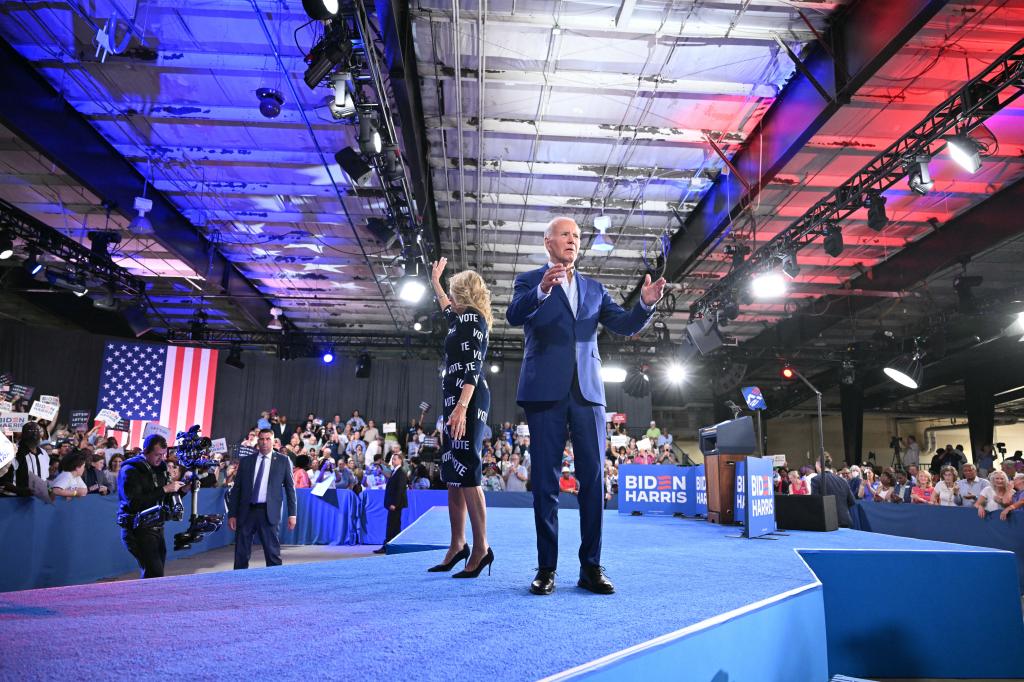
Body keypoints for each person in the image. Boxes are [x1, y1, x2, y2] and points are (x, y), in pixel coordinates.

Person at [506, 216, 664, 595]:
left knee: (593, 482)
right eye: (565, 235)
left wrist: (644, 305)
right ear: (548, 242)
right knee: (545, 483)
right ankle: (547, 569)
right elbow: (514, 316)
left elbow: (624, 325)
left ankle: (590, 568)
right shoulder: (529, 280)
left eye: (577, 236)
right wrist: (542, 291)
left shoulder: (595, 288)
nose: (573, 241)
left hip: (589, 396)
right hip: (544, 393)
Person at [426, 258, 494, 579]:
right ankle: (457, 545)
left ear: (463, 292)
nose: (448, 296)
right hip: (455, 397)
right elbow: (444, 308)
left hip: (468, 397)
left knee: (467, 469)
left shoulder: (473, 318)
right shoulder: (459, 318)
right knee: (453, 472)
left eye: (452, 289)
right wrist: (435, 282)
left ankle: (481, 548)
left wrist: (462, 407)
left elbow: (473, 364)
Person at [116, 435, 186, 578]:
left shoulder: (160, 468)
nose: (161, 458)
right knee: (154, 574)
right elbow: (135, 502)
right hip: (136, 528)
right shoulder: (130, 469)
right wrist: (165, 489)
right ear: (146, 451)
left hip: (156, 528)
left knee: (156, 575)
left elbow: (163, 498)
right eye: (157, 454)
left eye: (163, 454)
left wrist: (183, 490)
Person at [227, 429, 297, 570]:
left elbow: (290, 489)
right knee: (241, 553)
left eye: (268, 439)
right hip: (246, 512)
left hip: (268, 512)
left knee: (272, 554)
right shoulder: (246, 461)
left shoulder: (283, 461)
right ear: (258, 441)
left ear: (273, 441)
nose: (264, 442)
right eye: (262, 439)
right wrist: (232, 514)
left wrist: (292, 514)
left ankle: (274, 584)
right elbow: (236, 490)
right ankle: (238, 583)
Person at [375, 452, 409, 554]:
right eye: (392, 459)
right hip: (393, 504)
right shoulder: (395, 471)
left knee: (393, 526)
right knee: (392, 525)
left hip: (395, 505)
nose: (393, 460)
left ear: (400, 460)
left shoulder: (401, 473)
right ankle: (390, 546)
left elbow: (400, 490)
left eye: (395, 459)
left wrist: (395, 503)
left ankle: (390, 546)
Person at [811, 456, 857, 528]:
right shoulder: (843, 480)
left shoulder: (816, 480)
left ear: (818, 464)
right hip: (845, 521)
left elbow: (814, 503)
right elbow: (852, 501)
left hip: (827, 524)